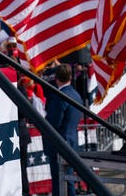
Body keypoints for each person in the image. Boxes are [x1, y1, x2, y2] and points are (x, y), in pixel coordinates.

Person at [44, 64, 83, 196]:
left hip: (59, 145)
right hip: (71, 141)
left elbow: (53, 122)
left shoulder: (60, 97)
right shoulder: (76, 95)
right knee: (69, 179)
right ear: (70, 77)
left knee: (59, 181)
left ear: (56, 78)